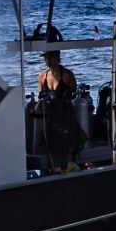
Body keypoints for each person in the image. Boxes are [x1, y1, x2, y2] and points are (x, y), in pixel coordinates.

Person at [31, 44, 84, 172]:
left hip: (63, 115)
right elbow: (40, 97)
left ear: (57, 57)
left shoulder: (67, 75)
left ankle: (67, 160)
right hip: (48, 116)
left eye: (50, 57)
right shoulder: (42, 76)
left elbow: (73, 96)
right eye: (45, 58)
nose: (47, 60)